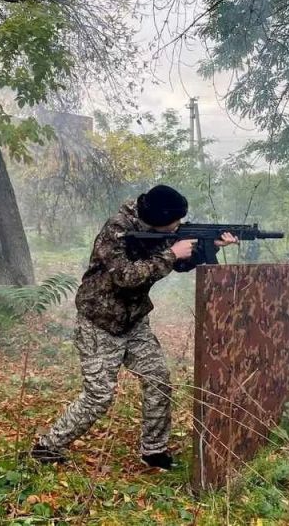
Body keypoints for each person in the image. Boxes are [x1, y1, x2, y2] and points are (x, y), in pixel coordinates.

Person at [31, 185, 238, 469]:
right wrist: (171, 254)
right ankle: (47, 447)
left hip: (135, 321)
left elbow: (176, 264)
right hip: (99, 323)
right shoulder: (116, 231)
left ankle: (154, 451)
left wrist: (206, 248)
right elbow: (126, 276)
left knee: (159, 381)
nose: (178, 226)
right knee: (98, 397)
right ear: (157, 218)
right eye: (175, 222)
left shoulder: (157, 228)